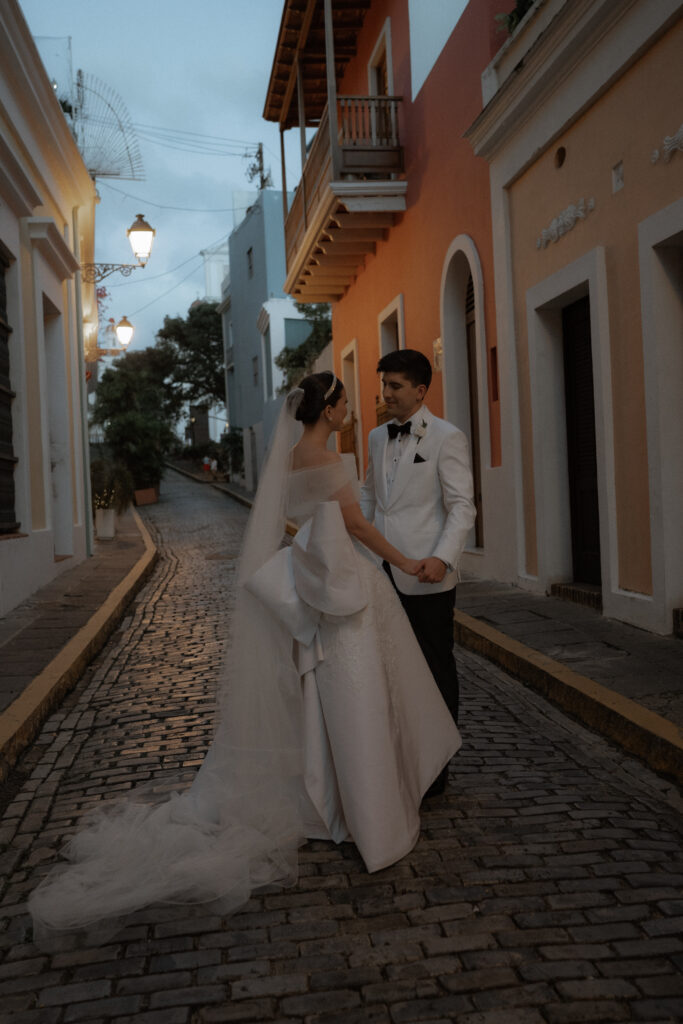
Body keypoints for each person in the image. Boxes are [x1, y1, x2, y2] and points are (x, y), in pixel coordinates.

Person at [28, 371, 460, 942]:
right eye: (344, 403)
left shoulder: (290, 459)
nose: (352, 410)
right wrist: (405, 562)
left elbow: (297, 523)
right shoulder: (329, 460)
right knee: (354, 689)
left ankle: (328, 793)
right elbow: (355, 525)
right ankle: (361, 800)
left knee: (318, 690)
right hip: (343, 581)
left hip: (310, 575)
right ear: (329, 411)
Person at [360, 349, 476, 795]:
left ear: (420, 390)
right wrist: (361, 554)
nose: (386, 393)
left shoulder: (448, 437)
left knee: (434, 670)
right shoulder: (376, 437)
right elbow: (370, 499)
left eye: (395, 385)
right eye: (384, 385)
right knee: (391, 673)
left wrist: (442, 557)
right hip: (381, 574)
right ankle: (402, 763)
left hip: (428, 577)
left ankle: (436, 770)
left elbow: (462, 506)